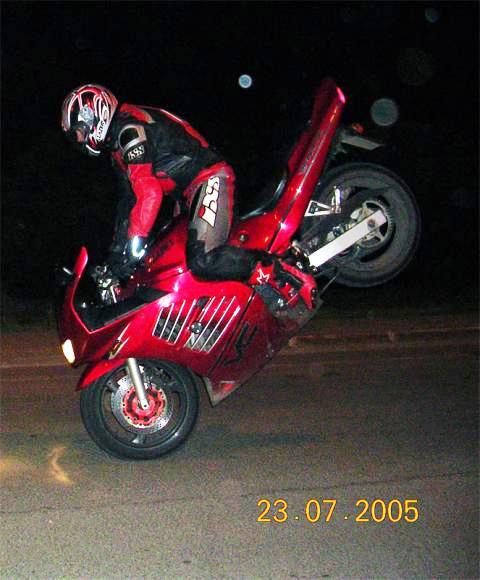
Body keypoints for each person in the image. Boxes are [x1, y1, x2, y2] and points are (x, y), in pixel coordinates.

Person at [60, 84, 313, 305]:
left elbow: (149, 194)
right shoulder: (118, 147)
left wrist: (134, 245)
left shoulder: (129, 131)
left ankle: (282, 271)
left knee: (202, 260)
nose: (80, 140)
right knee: (172, 266)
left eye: (80, 132)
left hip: (209, 178)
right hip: (187, 195)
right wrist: (115, 260)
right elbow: (129, 205)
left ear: (95, 115)